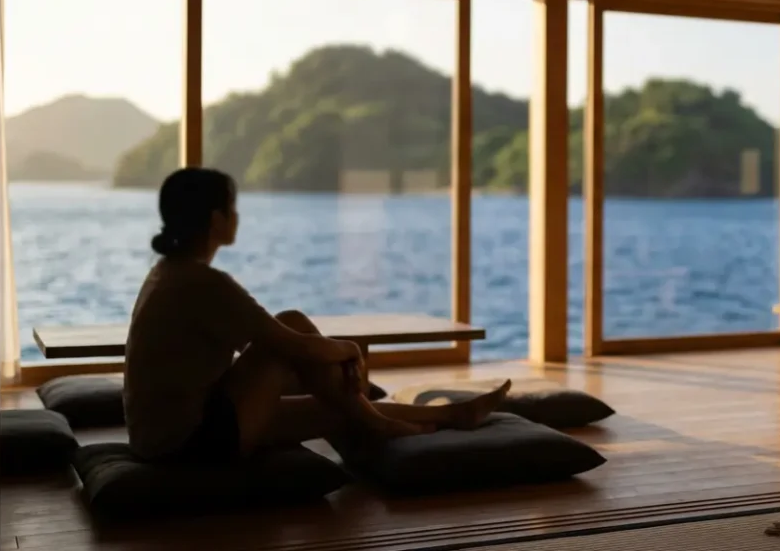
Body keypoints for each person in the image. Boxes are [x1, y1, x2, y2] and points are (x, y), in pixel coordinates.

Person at [123, 167, 511, 463]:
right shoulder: (202, 282)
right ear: (215, 220)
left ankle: (453, 415)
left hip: (164, 437)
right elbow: (289, 343)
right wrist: (348, 352)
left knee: (335, 410)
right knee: (293, 323)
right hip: (188, 442)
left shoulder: (169, 272)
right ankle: (381, 423)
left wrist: (332, 370)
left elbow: (278, 354)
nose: (237, 216)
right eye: (232, 208)